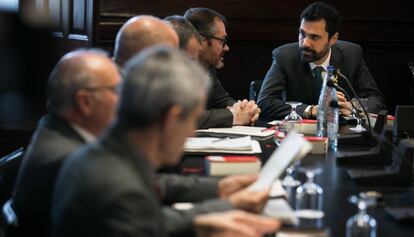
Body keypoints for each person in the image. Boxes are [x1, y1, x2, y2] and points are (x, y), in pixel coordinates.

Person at [51, 46, 280, 237]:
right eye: (191, 121)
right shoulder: (118, 188)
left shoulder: (108, 154)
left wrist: (221, 197)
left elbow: (154, 212)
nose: (191, 133)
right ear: (171, 119)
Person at [111, 15, 272, 237]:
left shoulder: (118, 150)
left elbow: (155, 184)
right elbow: (154, 224)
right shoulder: (105, 171)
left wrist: (220, 188)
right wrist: (228, 207)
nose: (191, 131)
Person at [11, 49, 121, 236]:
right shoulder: (73, 161)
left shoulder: (53, 130)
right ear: (84, 102)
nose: (124, 100)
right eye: (117, 90)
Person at [257, 1, 385, 121]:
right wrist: (312, 110)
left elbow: (376, 100)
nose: (305, 43)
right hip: (298, 135)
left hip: (340, 135)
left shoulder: (352, 54)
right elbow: (265, 102)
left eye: (314, 37)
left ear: (333, 39)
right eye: (302, 33)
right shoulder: (284, 56)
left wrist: (349, 106)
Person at [184, 8, 261, 128]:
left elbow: (223, 100)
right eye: (222, 41)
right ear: (202, 40)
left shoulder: (208, 69)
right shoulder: (172, 69)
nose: (226, 48)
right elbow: (185, 118)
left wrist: (246, 109)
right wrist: (235, 116)